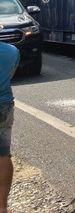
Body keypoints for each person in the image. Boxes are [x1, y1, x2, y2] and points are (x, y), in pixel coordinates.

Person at [0, 43, 20, 213]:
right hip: (4, 105)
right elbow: (10, 77)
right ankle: (2, 207)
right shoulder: (12, 51)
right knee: (3, 155)